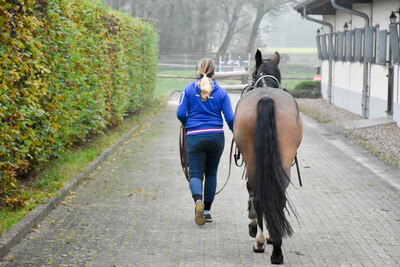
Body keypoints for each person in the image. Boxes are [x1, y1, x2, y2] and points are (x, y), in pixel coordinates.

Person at [176, 58, 234, 226]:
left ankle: (198, 202)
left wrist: (188, 123)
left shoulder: (188, 89)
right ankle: (207, 212)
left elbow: (180, 113)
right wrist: (235, 132)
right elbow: (230, 117)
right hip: (216, 137)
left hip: (194, 136)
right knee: (212, 174)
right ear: (214, 73)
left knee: (195, 174)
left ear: (198, 71)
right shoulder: (222, 92)